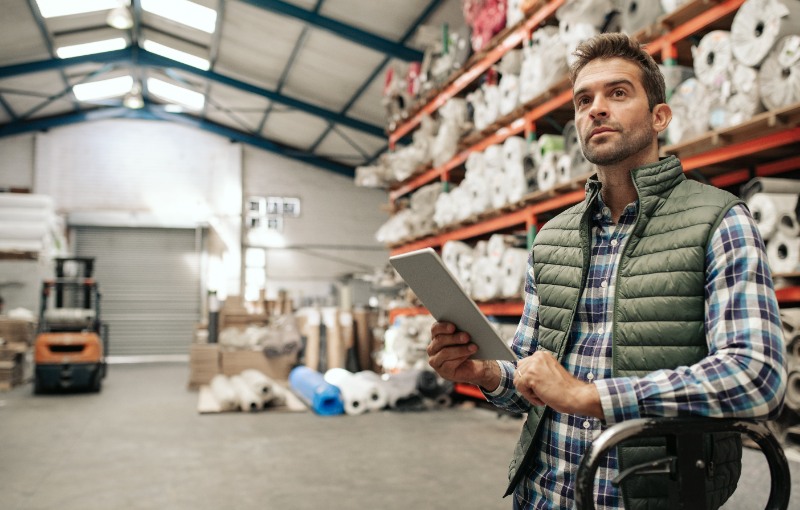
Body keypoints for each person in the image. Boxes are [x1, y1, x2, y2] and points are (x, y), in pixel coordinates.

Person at [427, 32, 786, 510]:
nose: (596, 108)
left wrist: (594, 396)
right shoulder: (551, 239)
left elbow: (755, 375)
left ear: (660, 116)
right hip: (541, 497)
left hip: (651, 497)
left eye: (618, 93)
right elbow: (531, 384)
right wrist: (487, 373)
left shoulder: (719, 220)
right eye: (583, 100)